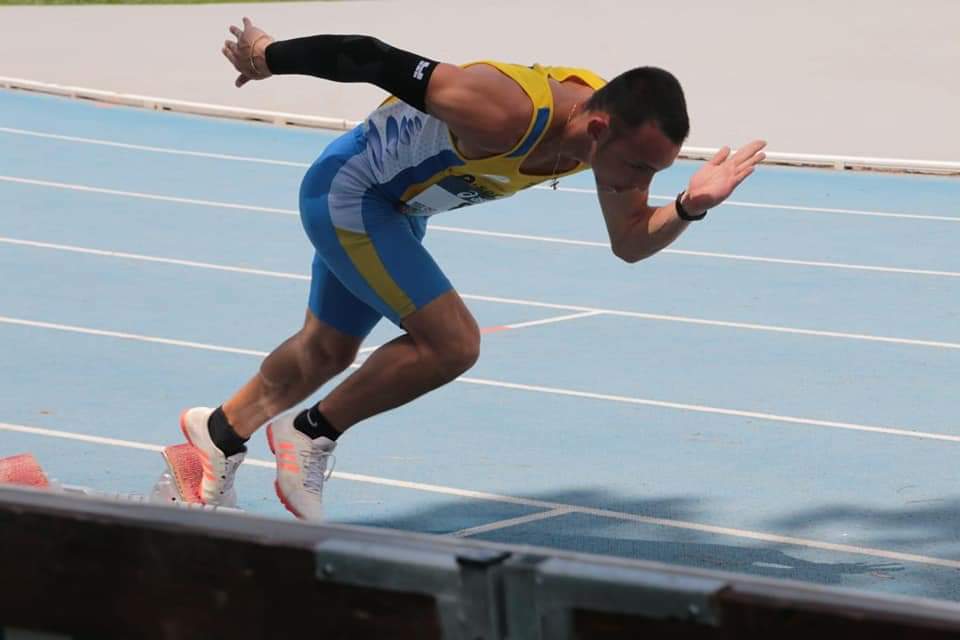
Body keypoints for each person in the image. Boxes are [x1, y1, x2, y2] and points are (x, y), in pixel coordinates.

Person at [180, 17, 766, 520]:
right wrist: (266, 57)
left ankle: (218, 435)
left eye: (656, 174)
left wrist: (690, 207)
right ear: (597, 128)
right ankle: (311, 432)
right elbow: (368, 56)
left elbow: (632, 242)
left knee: (327, 351)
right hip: (351, 194)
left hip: (398, 212)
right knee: (453, 344)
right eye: (639, 167)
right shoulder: (503, 109)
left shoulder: (601, 142)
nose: (642, 184)